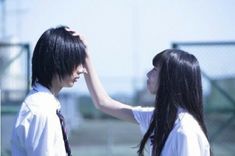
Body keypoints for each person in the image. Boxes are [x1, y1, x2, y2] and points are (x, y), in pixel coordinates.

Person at [83, 46, 211, 156]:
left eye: (155, 69)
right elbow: (103, 102)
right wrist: (85, 56)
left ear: (170, 79)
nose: (148, 74)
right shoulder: (160, 118)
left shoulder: (185, 131)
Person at [11, 26, 87, 156]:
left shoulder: (43, 104)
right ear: (57, 62)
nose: (82, 70)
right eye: (76, 62)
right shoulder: (42, 111)